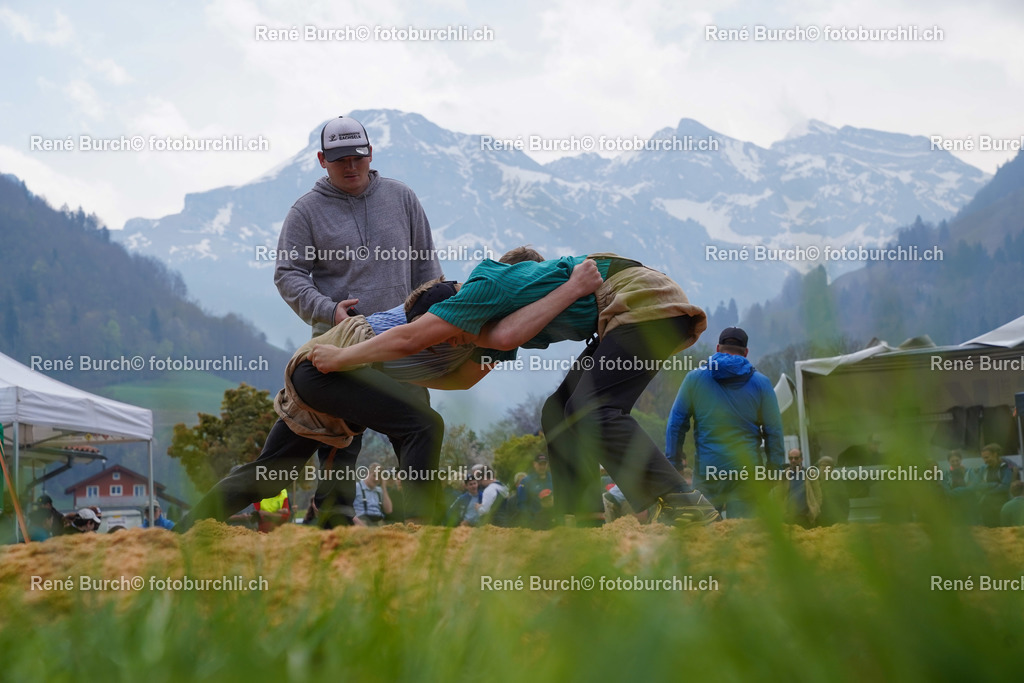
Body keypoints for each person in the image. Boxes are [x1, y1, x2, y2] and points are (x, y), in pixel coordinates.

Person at [176, 266, 601, 532]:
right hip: (327, 366)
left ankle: (185, 528)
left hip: (336, 373)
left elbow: (464, 382)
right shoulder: (457, 299)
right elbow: (410, 337)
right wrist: (346, 359)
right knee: (422, 424)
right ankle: (421, 524)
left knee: (273, 474)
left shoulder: (499, 336)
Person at [308, 251, 718, 525]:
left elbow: (410, 338)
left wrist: (342, 359)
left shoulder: (479, 290)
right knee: (558, 414)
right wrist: (390, 381)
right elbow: (466, 377)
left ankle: (682, 504)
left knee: (594, 410)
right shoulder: (506, 326)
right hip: (628, 312)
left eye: (450, 332)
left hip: (643, 303)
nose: (449, 342)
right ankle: (582, 518)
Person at [274, 115, 443, 524]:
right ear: (320, 160)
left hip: (401, 340)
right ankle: (332, 522)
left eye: (357, 157)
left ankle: (422, 527)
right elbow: (288, 273)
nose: (350, 166)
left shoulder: (402, 198)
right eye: (339, 159)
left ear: (370, 154)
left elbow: (427, 269)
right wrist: (327, 308)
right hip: (339, 345)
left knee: (416, 427)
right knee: (339, 444)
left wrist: (434, 325)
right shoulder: (306, 211)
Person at [665, 327, 785, 518]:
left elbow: (676, 424)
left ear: (718, 348)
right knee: (744, 537)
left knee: (704, 536)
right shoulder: (761, 383)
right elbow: (774, 431)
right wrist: (775, 470)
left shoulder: (695, 378)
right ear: (746, 352)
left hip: (708, 472)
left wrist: (674, 464)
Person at [970, 443, 1018, 526]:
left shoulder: (1005, 467)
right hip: (986, 507)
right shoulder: (983, 469)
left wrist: (986, 490)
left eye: (987, 457)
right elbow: (977, 486)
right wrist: (995, 484)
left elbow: (1005, 487)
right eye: (983, 458)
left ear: (995, 454)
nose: (985, 461)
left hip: (1002, 506)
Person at [772, 448, 820, 528]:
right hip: (788, 518)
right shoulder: (784, 475)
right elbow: (778, 497)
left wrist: (815, 509)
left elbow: (818, 494)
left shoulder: (809, 473)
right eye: (791, 458)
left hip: (806, 518)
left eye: (796, 458)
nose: (793, 460)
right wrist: (783, 513)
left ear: (801, 459)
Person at [518, 454, 554, 528]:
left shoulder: (553, 478)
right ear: (534, 464)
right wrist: (530, 521)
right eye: (540, 464)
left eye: (544, 464)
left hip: (553, 521)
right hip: (535, 523)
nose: (542, 467)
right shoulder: (526, 481)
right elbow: (522, 504)